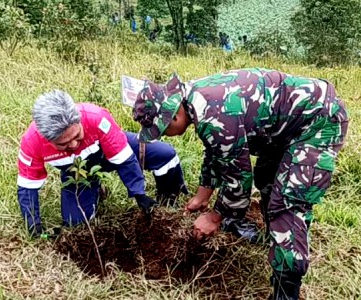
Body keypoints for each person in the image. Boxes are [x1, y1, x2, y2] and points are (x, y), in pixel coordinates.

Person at [132, 68, 348, 300]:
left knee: (287, 202)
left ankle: (286, 289)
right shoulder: (195, 98)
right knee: (267, 177)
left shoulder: (213, 114)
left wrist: (216, 216)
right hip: (287, 126)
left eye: (162, 130)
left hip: (318, 122)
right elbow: (216, 151)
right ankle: (272, 237)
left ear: (174, 116)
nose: (164, 135)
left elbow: (238, 178)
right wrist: (203, 194)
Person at [17, 90, 188, 237]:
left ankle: (169, 200)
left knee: (165, 155)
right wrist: (33, 224)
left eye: (77, 136)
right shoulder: (32, 142)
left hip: (108, 150)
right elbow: (27, 187)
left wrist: (138, 192)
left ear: (78, 120)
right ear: (46, 138)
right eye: (64, 144)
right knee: (76, 225)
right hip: (78, 172)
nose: (74, 145)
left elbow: (124, 159)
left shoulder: (96, 118)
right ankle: (95, 190)